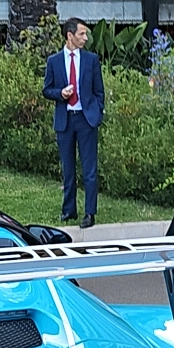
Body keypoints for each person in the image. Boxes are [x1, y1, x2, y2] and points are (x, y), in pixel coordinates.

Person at [42, 15, 104, 229]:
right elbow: (46, 90)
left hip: (86, 120)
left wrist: (98, 112)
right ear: (70, 36)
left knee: (89, 169)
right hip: (65, 120)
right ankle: (69, 210)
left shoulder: (91, 60)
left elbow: (99, 91)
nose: (85, 37)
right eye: (81, 34)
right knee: (68, 169)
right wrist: (60, 93)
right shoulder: (54, 61)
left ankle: (89, 213)